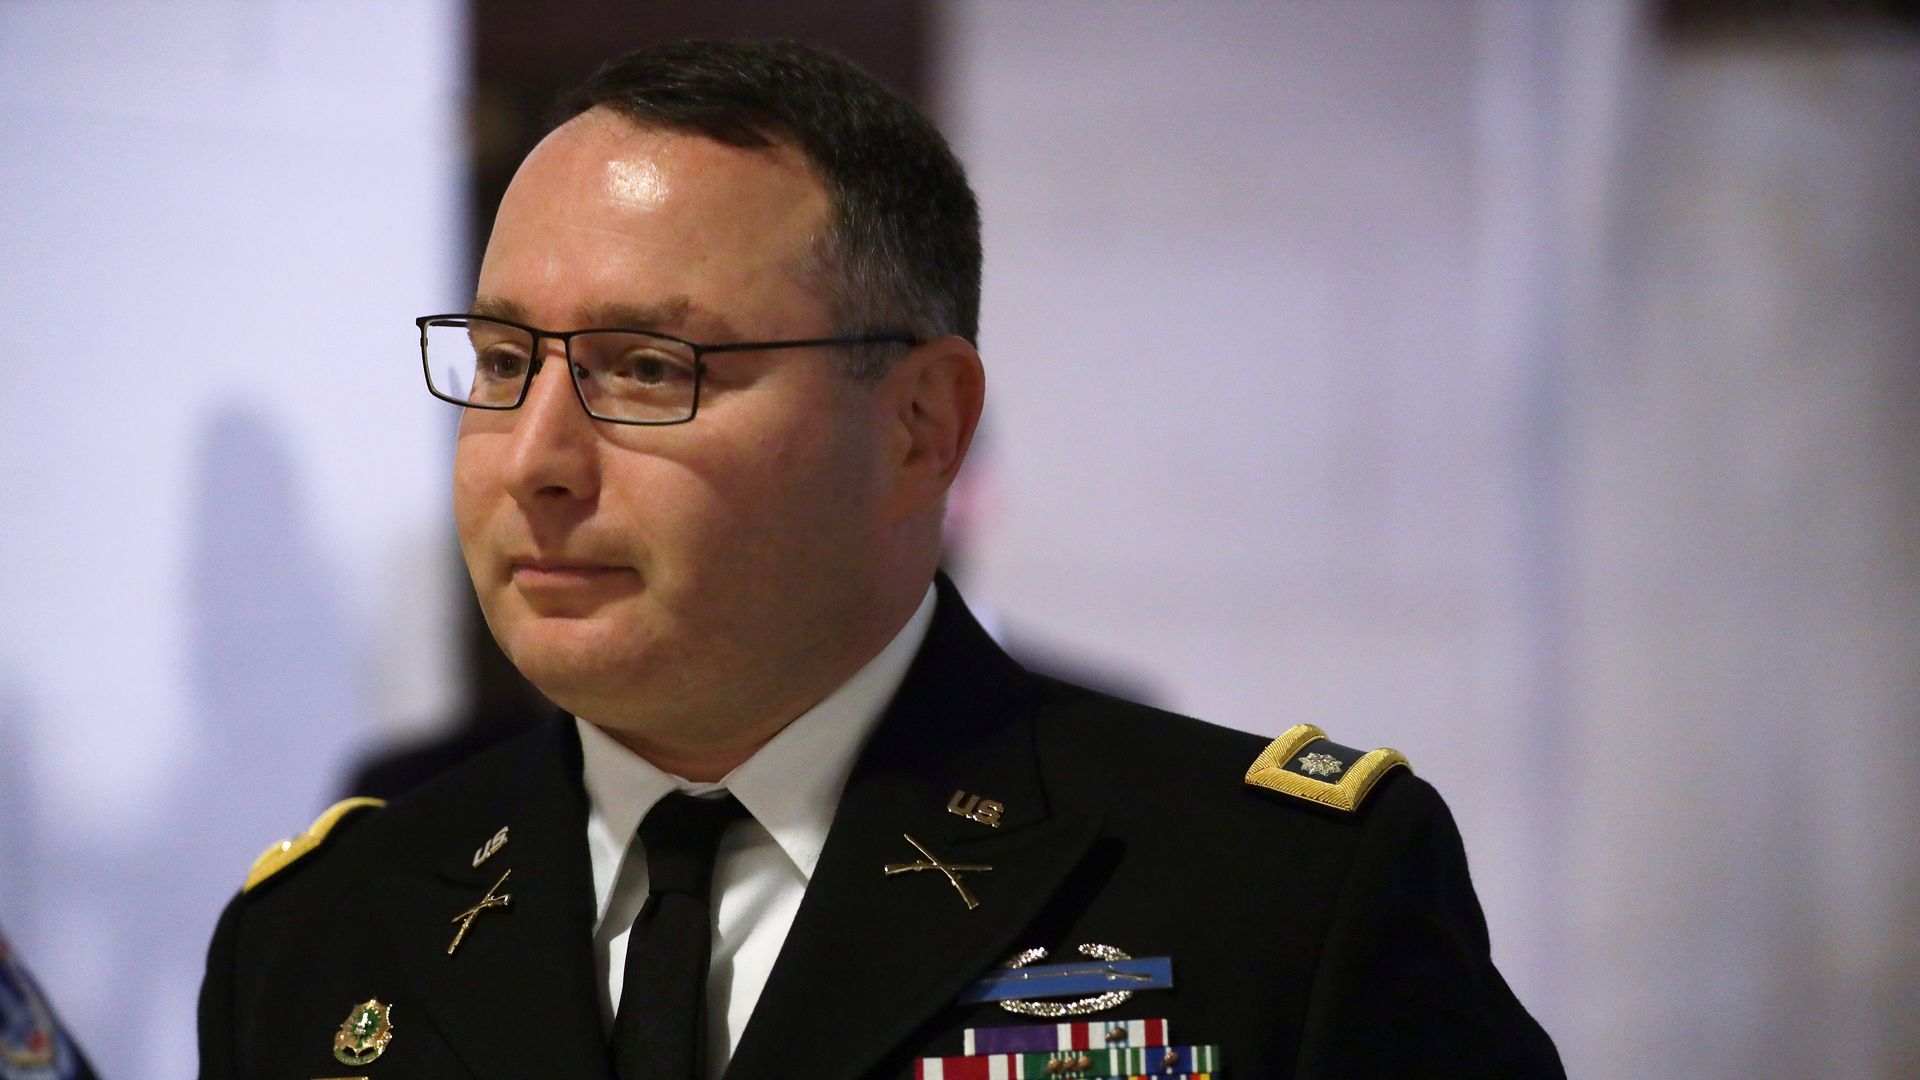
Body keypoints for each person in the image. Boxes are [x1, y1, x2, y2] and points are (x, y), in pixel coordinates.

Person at [197, 39, 1562, 1079]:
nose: (537, 455)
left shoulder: (1270, 900)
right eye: (504, 363)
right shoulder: (328, 929)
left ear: (919, 427)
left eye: (648, 368)